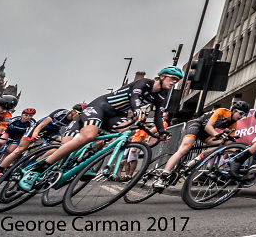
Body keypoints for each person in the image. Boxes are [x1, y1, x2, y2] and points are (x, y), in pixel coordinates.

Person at [18, 67, 183, 192]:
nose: (174, 82)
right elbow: (135, 98)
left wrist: (162, 131)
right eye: (173, 78)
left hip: (116, 115)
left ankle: (87, 159)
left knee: (124, 133)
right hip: (101, 107)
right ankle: (36, 169)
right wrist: (138, 110)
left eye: (177, 80)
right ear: (162, 77)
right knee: (89, 136)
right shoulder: (144, 82)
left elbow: (158, 116)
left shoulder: (161, 96)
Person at [153, 100, 249, 191]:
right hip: (197, 126)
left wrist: (237, 154)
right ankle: (163, 177)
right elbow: (208, 126)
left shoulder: (233, 124)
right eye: (241, 113)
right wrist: (216, 135)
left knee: (221, 145)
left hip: (205, 134)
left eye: (244, 115)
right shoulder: (222, 112)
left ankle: (194, 161)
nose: (242, 116)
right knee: (184, 149)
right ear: (234, 110)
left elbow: (229, 144)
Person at [0, 103, 85, 187]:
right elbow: (41, 125)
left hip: (53, 131)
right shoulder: (61, 113)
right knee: (19, 150)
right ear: (73, 112)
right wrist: (34, 135)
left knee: (58, 146)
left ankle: (36, 165)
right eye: (80, 115)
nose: (80, 118)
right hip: (39, 127)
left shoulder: (75, 121)